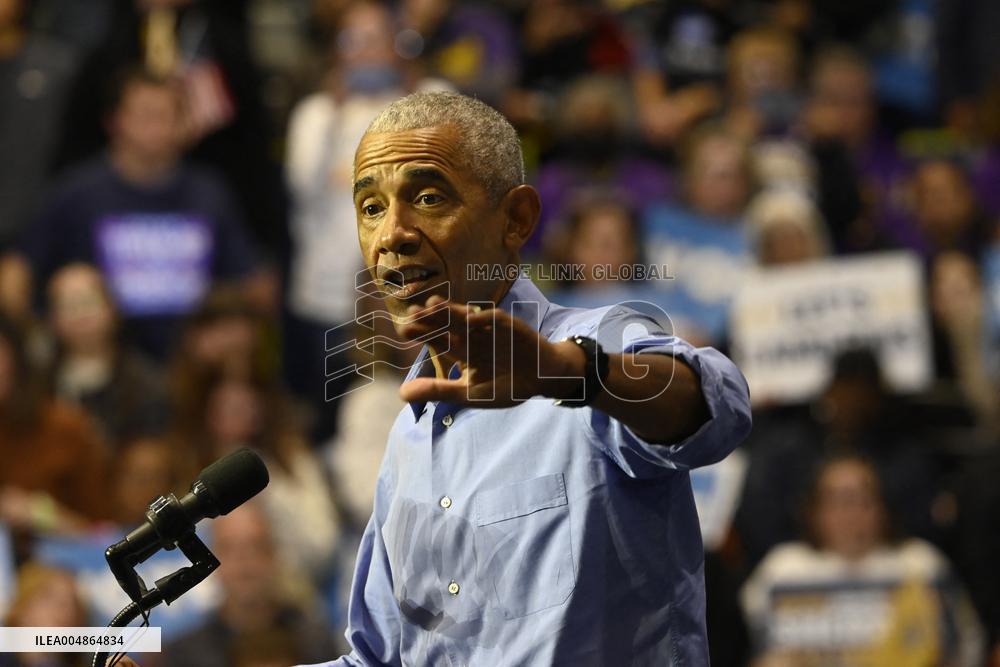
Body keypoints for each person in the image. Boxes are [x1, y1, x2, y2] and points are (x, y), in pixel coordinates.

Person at [306, 91, 752, 665]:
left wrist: (569, 374)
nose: (392, 233)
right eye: (370, 207)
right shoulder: (406, 438)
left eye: (428, 198)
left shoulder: (593, 343)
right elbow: (378, 658)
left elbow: (719, 408)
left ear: (516, 220)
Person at [17, 66, 265, 360]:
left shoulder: (210, 193)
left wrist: (232, 328)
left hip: (191, 363)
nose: (156, 127)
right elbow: (17, 271)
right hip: (100, 361)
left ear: (185, 124)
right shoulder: (77, 194)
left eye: (167, 115)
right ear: (114, 121)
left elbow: (249, 281)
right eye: (145, 115)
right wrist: (35, 339)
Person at [741, 454, 983, 666]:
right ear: (814, 510)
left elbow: (967, 648)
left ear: (883, 506)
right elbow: (746, 648)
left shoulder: (921, 565)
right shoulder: (782, 570)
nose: (852, 512)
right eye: (839, 500)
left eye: (864, 499)